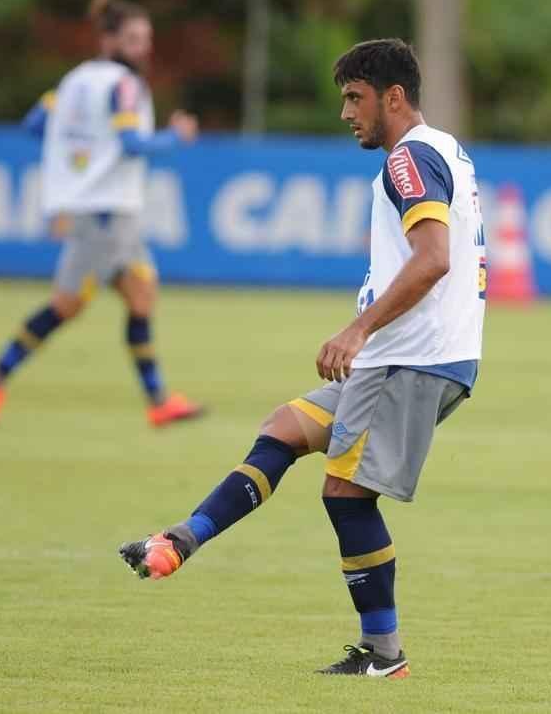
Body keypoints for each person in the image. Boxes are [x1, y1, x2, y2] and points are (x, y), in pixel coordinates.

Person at [118, 38, 486, 677]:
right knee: (284, 429)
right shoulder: (446, 148)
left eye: (355, 98)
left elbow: (433, 260)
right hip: (419, 357)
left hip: (409, 359)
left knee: (346, 493)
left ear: (394, 97)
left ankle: (384, 654)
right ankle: (181, 540)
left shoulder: (408, 159)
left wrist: (358, 330)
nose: (346, 113)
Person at [0, 0, 204, 428]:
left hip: (99, 207)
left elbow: (34, 125)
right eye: (134, 39)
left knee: (141, 293)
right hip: (105, 210)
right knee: (68, 304)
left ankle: (158, 400)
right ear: (109, 40)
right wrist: (176, 136)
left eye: (146, 38)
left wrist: (75, 160)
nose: (143, 48)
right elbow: (132, 144)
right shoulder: (125, 85)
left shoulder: (75, 80)